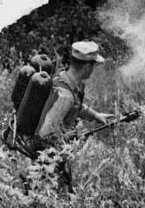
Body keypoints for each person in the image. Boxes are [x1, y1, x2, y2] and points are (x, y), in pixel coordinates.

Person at [35, 41, 113, 191]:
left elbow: (75, 106)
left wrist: (96, 115)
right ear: (87, 67)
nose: (94, 69)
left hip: (60, 151)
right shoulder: (65, 96)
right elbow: (45, 133)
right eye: (94, 66)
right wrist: (67, 142)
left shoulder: (65, 78)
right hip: (51, 157)